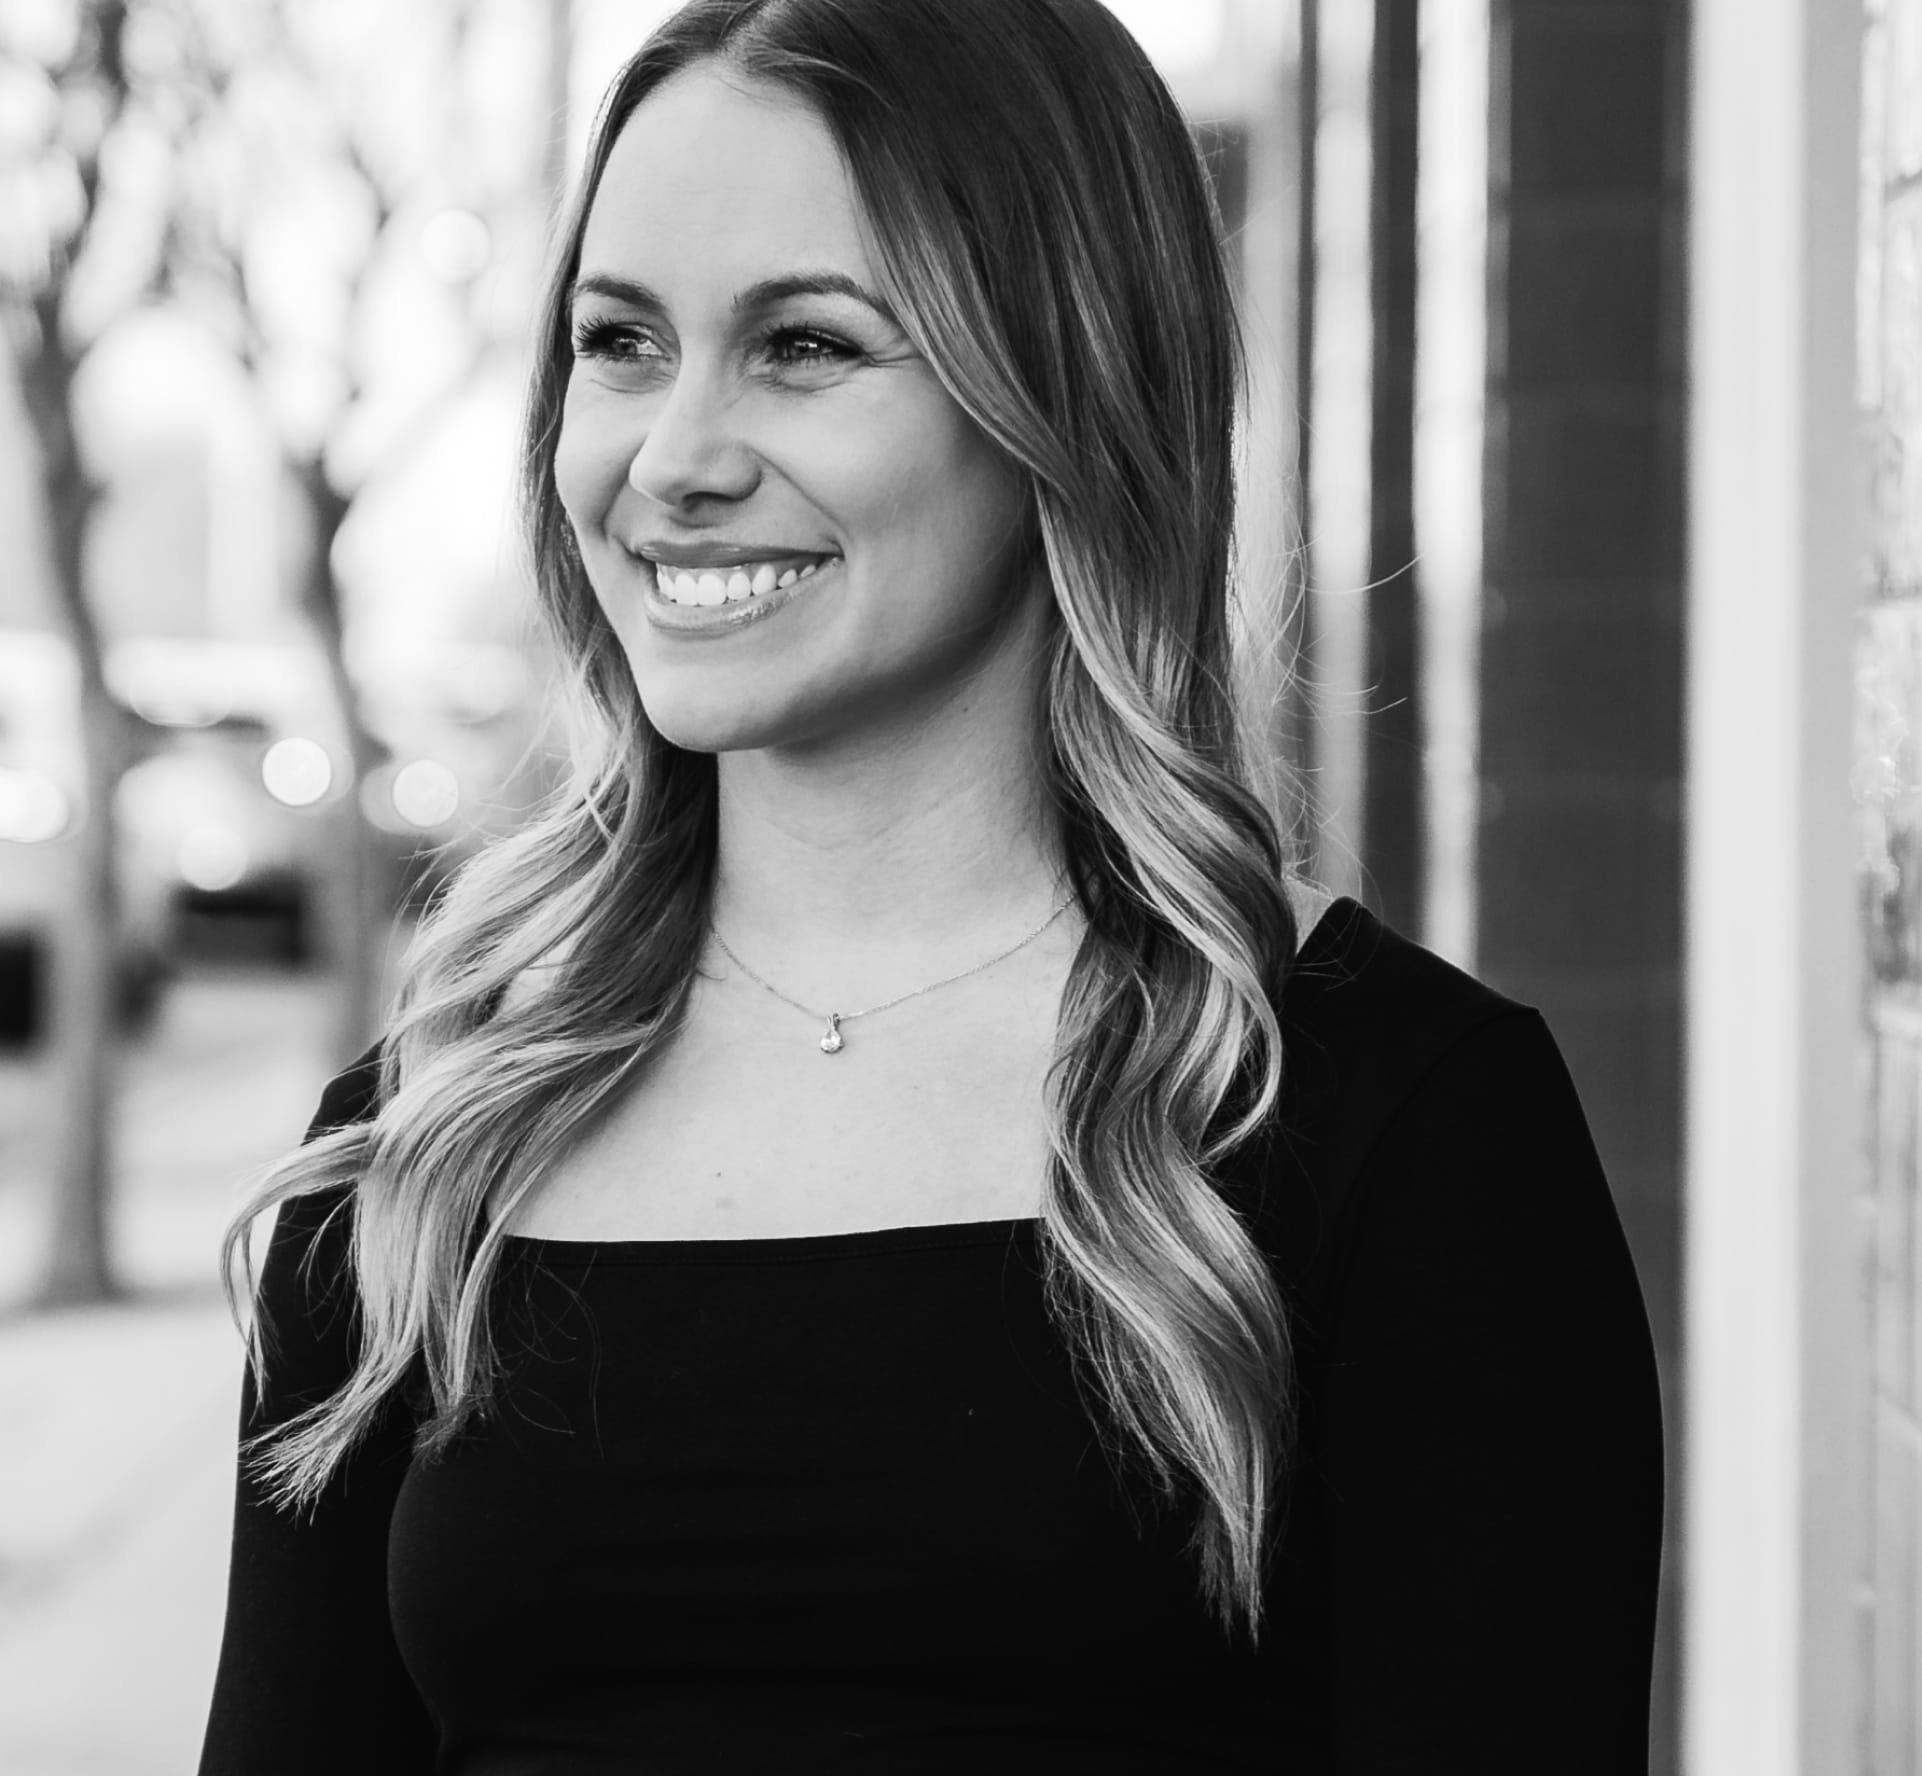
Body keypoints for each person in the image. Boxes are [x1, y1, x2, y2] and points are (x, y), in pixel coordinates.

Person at [197, 0, 1665, 1770]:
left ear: (1065, 387)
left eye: (806, 345)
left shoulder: (1400, 1128)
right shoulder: (431, 1145)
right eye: (621, 341)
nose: (675, 459)